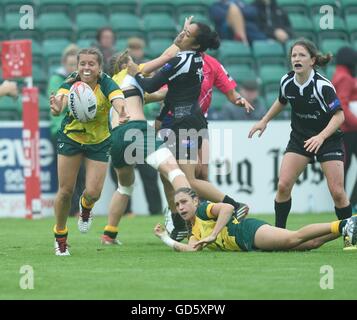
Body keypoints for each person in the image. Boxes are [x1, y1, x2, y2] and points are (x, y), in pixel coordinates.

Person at [128, 21, 250, 241]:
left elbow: (149, 86)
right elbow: (173, 94)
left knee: (188, 179)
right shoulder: (194, 60)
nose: (181, 35)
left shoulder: (180, 60)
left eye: (187, 34)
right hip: (180, 122)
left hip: (184, 124)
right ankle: (181, 223)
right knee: (168, 175)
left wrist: (132, 73)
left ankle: (234, 206)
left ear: (195, 44)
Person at [248, 38, 354, 249]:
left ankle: (351, 235)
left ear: (312, 60)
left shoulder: (322, 86)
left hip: (328, 139)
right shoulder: (287, 82)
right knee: (283, 185)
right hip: (300, 139)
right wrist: (264, 121)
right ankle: (279, 234)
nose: (296, 59)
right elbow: (281, 100)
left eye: (301, 55)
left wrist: (321, 137)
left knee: (338, 192)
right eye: (294, 55)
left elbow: (339, 116)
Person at [101, 48, 192, 245]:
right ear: (125, 64)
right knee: (174, 171)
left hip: (116, 137)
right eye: (133, 61)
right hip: (136, 130)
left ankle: (109, 234)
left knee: (124, 187)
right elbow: (166, 57)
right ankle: (191, 223)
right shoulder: (129, 73)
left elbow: (158, 95)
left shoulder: (109, 86)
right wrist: (180, 41)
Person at [50, 47, 128, 256]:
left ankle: (85, 209)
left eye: (91, 64)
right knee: (65, 191)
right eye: (82, 63)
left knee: (93, 193)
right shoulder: (70, 82)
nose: (86, 67)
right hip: (71, 138)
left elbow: (118, 99)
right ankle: (60, 236)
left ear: (99, 67)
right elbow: (61, 101)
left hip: (99, 141)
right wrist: (57, 106)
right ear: (77, 66)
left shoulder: (106, 82)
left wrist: (121, 110)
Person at [154, 187, 357, 252]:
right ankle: (347, 227)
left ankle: (344, 223)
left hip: (248, 231)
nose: (180, 207)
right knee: (309, 243)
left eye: (184, 202)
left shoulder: (202, 209)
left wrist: (213, 234)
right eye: (177, 204)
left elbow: (227, 208)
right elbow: (191, 249)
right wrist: (165, 237)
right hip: (246, 242)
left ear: (195, 200)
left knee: (293, 239)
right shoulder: (193, 229)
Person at [47, 44, 85, 217]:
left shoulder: (83, 81)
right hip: (62, 131)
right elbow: (56, 108)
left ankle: (77, 208)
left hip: (81, 132)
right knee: (68, 176)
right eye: (69, 64)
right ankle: (73, 210)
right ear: (64, 64)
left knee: (80, 173)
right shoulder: (58, 80)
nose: (72, 68)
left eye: (74, 64)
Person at [332, 47, 357, 213]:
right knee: (344, 167)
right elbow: (342, 105)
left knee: (344, 167)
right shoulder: (346, 78)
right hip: (350, 131)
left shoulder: (337, 75)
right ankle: (351, 203)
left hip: (343, 131)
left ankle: (348, 203)